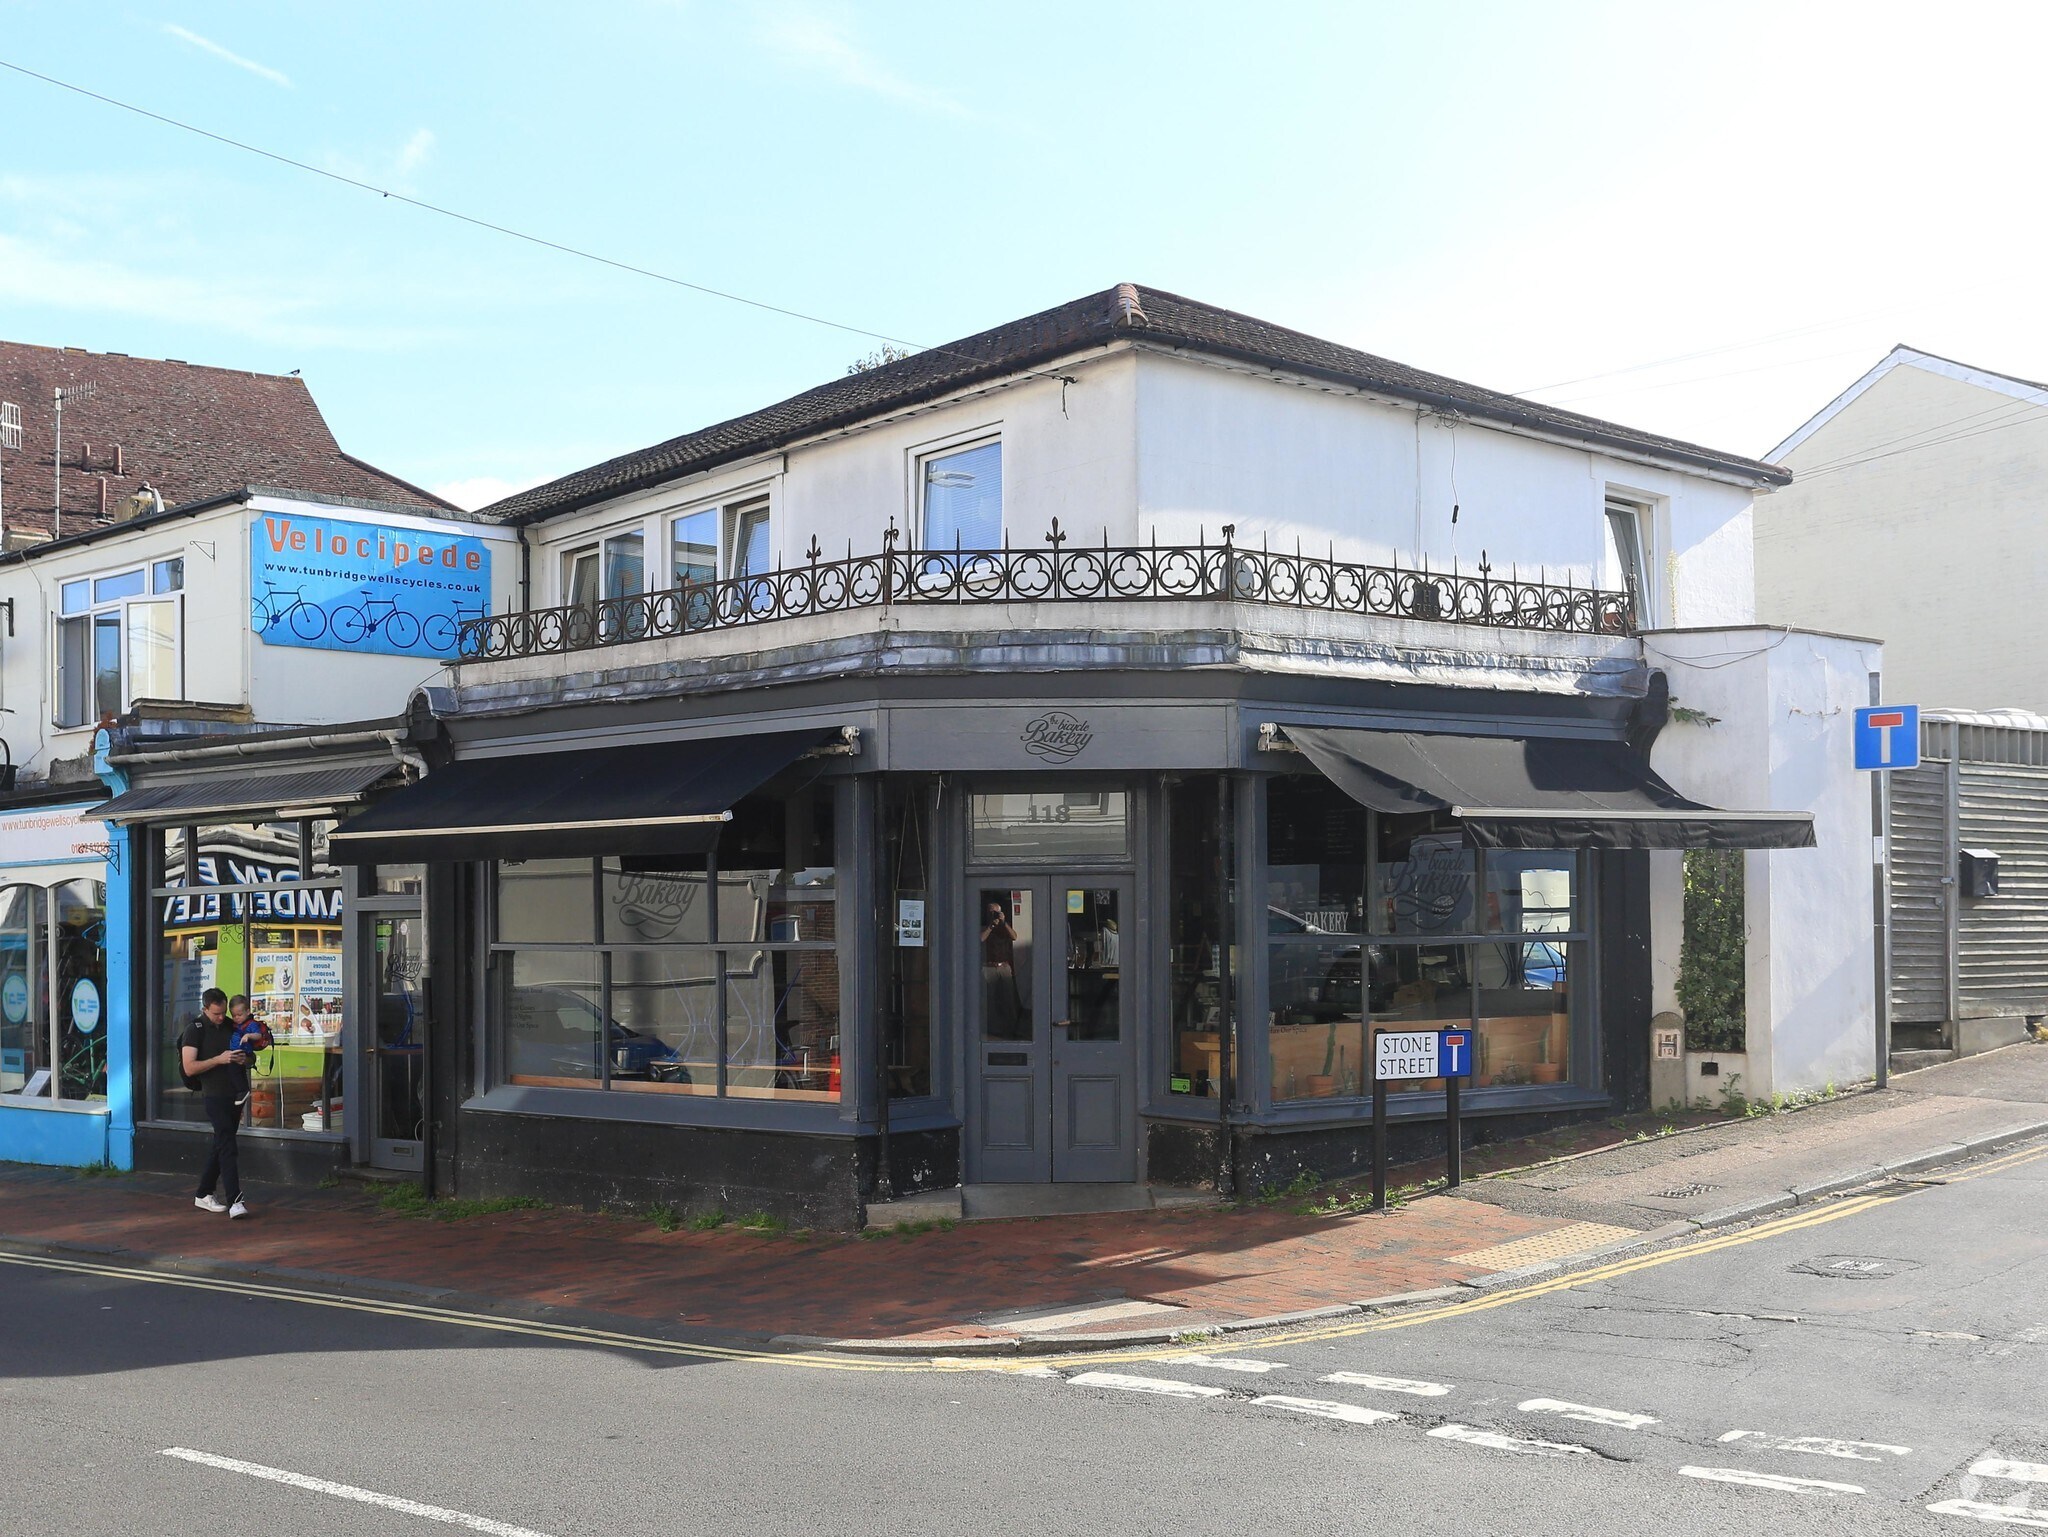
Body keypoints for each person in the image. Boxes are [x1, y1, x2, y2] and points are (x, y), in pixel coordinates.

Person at [180, 987, 252, 1218]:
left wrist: (245, 1058)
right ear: (205, 1009)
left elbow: (250, 1056)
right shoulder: (194, 1030)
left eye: (223, 1012)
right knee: (228, 1145)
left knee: (221, 1144)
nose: (221, 1017)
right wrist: (218, 1060)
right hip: (213, 1095)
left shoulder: (232, 1025)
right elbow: (190, 1067)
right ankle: (235, 1202)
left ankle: (203, 1193)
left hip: (235, 1095)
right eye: (216, 1014)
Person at [225, 995, 273, 1107]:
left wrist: (248, 1035)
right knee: (233, 1071)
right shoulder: (236, 1024)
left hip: (243, 1050)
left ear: (247, 1012)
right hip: (234, 1050)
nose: (237, 1018)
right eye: (234, 1015)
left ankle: (243, 1090)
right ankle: (239, 1090)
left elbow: (258, 1035)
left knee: (234, 1069)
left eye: (239, 1015)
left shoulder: (251, 1024)